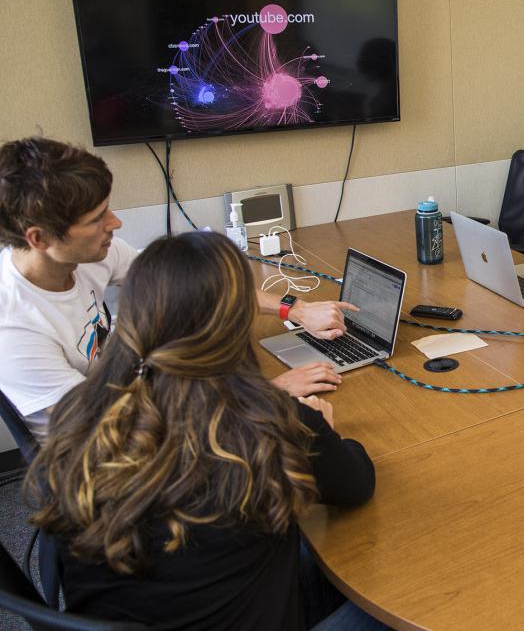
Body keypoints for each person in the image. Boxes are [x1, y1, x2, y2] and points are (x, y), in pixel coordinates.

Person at [25, 231, 383, 629]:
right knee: (406, 595)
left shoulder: (81, 413)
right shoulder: (267, 423)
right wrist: (322, 431)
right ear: (233, 323)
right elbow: (356, 486)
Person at [0, 137, 355, 439]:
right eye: (96, 219)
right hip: (102, 450)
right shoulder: (13, 327)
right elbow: (106, 425)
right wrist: (262, 396)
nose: (115, 223)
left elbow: (197, 284)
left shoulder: (94, 254)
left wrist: (294, 310)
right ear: (39, 238)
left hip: (136, 401)